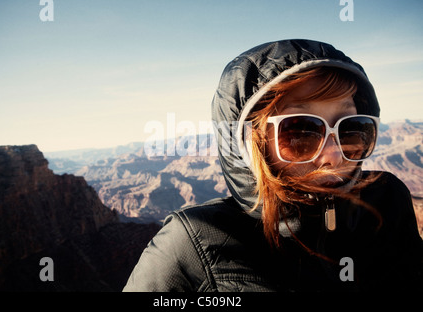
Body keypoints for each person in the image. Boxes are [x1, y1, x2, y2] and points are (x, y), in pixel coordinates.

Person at [123, 39, 423, 291]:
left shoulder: (386, 201)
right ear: (245, 142)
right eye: (300, 131)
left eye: (350, 129)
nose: (333, 155)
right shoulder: (193, 244)